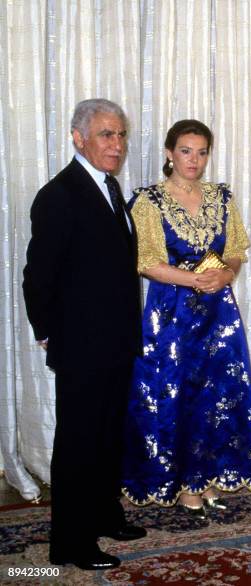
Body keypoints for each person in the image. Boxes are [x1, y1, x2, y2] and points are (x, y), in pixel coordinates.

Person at [22, 99, 146, 570]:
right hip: (81, 345)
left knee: (107, 436)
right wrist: (48, 332)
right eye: (106, 135)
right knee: (78, 443)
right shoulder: (60, 194)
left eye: (120, 136)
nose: (116, 145)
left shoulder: (110, 188)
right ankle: (70, 545)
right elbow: (38, 275)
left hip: (115, 341)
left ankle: (103, 515)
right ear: (79, 138)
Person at [121, 119, 251, 518]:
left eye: (201, 152)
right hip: (171, 313)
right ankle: (180, 485)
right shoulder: (149, 201)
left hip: (219, 313)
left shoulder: (221, 197)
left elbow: (236, 247)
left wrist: (228, 273)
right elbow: (146, 262)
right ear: (169, 153)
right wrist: (195, 280)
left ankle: (208, 477)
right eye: (186, 151)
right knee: (172, 395)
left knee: (217, 395)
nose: (194, 160)